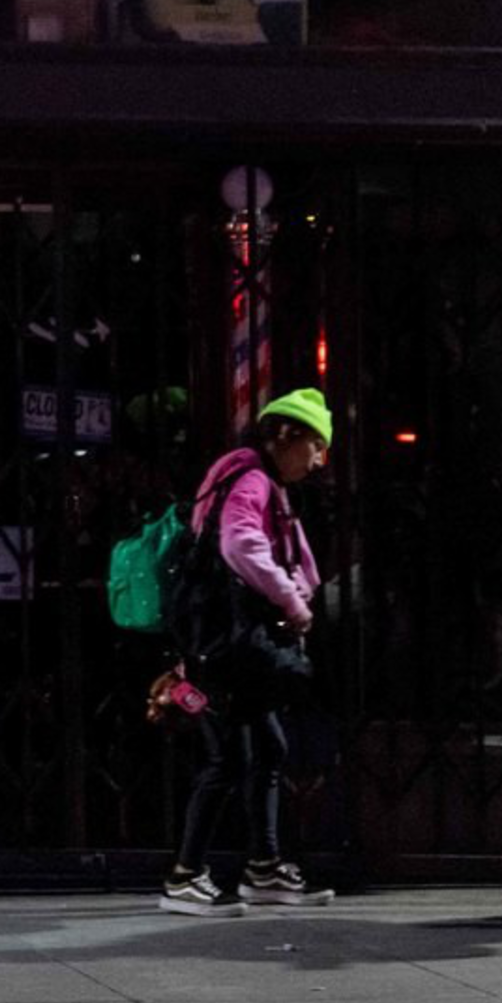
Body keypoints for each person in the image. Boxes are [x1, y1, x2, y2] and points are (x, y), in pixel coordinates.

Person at [161, 388, 334, 917]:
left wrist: (299, 590)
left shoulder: (262, 483)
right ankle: (184, 878)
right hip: (221, 642)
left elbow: (295, 554)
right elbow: (241, 544)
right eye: (318, 446)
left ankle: (264, 868)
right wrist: (292, 601)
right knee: (229, 757)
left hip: (231, 641)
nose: (320, 460)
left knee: (269, 749)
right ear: (291, 436)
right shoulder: (253, 479)